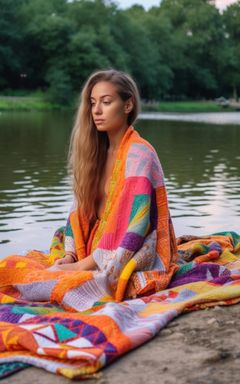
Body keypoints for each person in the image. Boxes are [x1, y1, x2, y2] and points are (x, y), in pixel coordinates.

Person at [49, 68, 179, 300]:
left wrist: (82, 267)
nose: (96, 111)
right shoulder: (94, 152)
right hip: (90, 250)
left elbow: (137, 225)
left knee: (64, 289)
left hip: (128, 250)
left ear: (127, 106)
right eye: (92, 102)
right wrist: (70, 256)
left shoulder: (140, 154)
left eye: (106, 102)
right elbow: (77, 212)